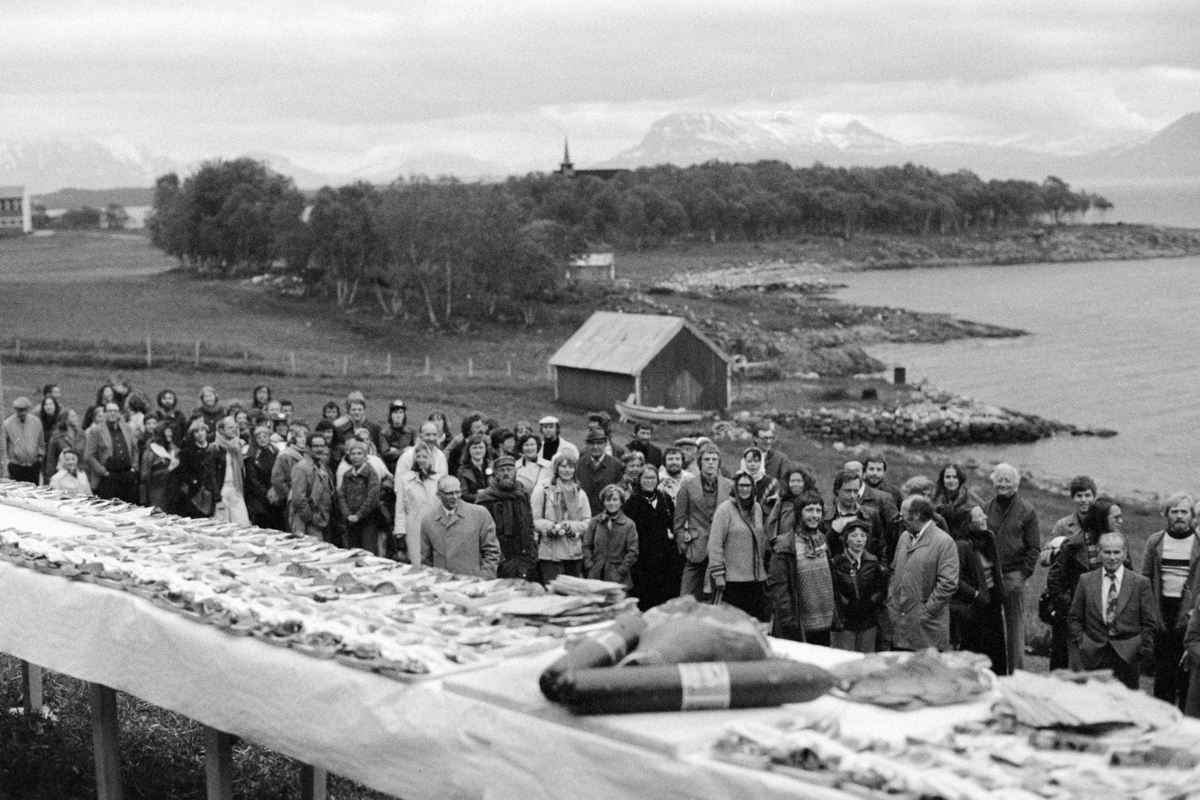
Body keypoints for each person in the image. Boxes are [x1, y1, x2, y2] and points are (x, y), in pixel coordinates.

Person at [1068, 532, 1160, 690]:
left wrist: (1139, 648)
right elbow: (1074, 617)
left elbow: (1149, 622)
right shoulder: (1086, 581)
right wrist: (1083, 642)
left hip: (1127, 656)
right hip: (1094, 653)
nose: (1112, 557)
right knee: (1093, 703)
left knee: (1124, 706)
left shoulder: (1139, 583)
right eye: (1107, 552)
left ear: (1124, 554)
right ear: (1099, 554)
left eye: (1116, 552)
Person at [1046, 496, 1127, 670]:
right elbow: (1055, 580)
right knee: (1072, 669)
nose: (1121, 521)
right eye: (1116, 517)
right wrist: (1070, 608)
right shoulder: (1074, 544)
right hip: (1078, 621)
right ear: (1102, 519)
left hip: (1109, 617)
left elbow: (1129, 578)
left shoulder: (1118, 544)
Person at [1140, 493, 1200, 710]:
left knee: (1188, 678)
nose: (1180, 516)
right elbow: (1145, 579)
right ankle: (1162, 721)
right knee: (1164, 677)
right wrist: (1151, 614)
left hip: (1191, 614)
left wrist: (1194, 614)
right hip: (1162, 613)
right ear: (1166, 514)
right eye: (1174, 511)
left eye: (1184, 511)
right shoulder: (1155, 541)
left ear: (1192, 515)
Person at [984, 462, 1041, 672]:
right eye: (999, 479)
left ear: (1015, 484)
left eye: (1007, 480)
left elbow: (1034, 547)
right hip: (990, 575)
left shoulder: (1027, 510)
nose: (1003, 484)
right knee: (991, 626)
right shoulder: (986, 508)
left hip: (1012, 575)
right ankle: (994, 670)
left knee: (1015, 627)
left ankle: (1016, 672)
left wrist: (1023, 574)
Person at [888, 495, 959, 651]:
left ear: (917, 515)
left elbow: (948, 583)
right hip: (900, 626)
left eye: (903, 515)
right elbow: (894, 571)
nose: (901, 519)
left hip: (926, 630)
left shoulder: (944, 542)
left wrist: (926, 612)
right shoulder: (904, 537)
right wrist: (891, 599)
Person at [766, 489, 836, 643]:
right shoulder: (784, 545)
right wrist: (790, 623)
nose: (815, 515)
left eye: (818, 510)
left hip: (825, 625)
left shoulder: (823, 540)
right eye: (809, 510)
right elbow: (778, 589)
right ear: (799, 513)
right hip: (799, 629)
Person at [951, 506, 1008, 674]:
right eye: (979, 515)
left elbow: (996, 570)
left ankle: (997, 680)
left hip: (992, 599)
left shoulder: (989, 539)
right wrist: (975, 594)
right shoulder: (962, 545)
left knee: (996, 646)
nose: (985, 517)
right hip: (975, 603)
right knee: (976, 645)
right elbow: (955, 578)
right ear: (968, 523)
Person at [674, 444, 733, 600]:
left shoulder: (729, 485)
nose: (711, 463)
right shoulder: (688, 485)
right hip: (695, 548)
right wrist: (684, 546)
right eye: (707, 459)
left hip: (722, 549)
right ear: (700, 462)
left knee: (720, 598)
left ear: (719, 462)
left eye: (714, 459)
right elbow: (679, 521)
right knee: (686, 597)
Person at [708, 471, 769, 621]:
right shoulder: (725, 509)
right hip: (732, 580)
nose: (744, 489)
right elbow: (715, 543)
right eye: (741, 485)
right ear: (735, 487)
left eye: (748, 485)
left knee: (756, 623)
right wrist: (718, 575)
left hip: (755, 580)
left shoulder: (757, 509)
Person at [624, 465, 682, 610]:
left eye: (652, 478)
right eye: (646, 478)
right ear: (640, 480)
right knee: (644, 595)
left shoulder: (664, 498)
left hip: (663, 555)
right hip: (642, 556)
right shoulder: (632, 501)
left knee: (664, 594)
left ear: (657, 480)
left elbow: (673, 523)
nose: (649, 481)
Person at [420, 476, 501, 578]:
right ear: (438, 495)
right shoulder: (428, 521)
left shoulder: (479, 513)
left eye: (458, 492)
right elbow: (425, 559)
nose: (455, 497)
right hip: (443, 584)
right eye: (449, 493)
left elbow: (492, 550)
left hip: (473, 582)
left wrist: (485, 577)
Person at [475, 456, 538, 581]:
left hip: (524, 559)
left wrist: (532, 555)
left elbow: (529, 525)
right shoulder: (486, 499)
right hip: (498, 561)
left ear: (515, 472)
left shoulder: (522, 495)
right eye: (502, 470)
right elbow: (480, 535)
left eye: (509, 469)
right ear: (496, 474)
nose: (506, 473)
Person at [531, 452, 591, 582]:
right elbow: (533, 520)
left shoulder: (580, 493)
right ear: (556, 468)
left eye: (570, 466)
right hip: (550, 552)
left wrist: (571, 526)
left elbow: (587, 522)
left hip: (573, 552)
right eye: (563, 466)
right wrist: (551, 527)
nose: (567, 470)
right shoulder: (543, 489)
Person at [830, 519, 886, 653]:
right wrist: (848, 604)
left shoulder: (873, 562)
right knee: (845, 658)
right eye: (854, 535)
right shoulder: (837, 563)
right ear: (846, 539)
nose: (859, 540)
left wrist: (871, 602)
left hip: (868, 621)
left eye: (863, 535)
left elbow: (881, 588)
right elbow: (833, 589)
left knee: (866, 660)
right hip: (845, 621)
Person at [825, 468, 887, 565]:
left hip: (865, 572)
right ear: (837, 490)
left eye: (855, 491)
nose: (852, 496)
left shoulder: (871, 515)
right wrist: (833, 533)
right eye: (848, 491)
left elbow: (881, 547)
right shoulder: (826, 516)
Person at [583, 484, 639, 588]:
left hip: (618, 577)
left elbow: (632, 552)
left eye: (615, 499)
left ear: (621, 502)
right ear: (603, 502)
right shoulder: (595, 522)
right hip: (596, 574)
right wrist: (590, 565)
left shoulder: (628, 524)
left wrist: (621, 570)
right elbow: (586, 545)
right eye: (608, 500)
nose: (611, 503)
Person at [394, 442, 441, 564]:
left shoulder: (438, 480)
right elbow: (400, 508)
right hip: (414, 527)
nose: (421, 460)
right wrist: (400, 532)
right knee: (417, 562)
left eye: (425, 457)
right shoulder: (406, 480)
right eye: (418, 456)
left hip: (436, 526)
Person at [85, 401, 139, 502]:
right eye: (110, 411)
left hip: (127, 475)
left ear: (119, 413)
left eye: (115, 411)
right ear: (105, 413)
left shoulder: (127, 428)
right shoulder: (97, 430)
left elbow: (135, 449)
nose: (113, 413)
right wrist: (103, 472)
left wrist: (134, 468)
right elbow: (89, 456)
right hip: (109, 476)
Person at [338, 439, 382, 554]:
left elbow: (372, 497)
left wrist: (359, 515)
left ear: (365, 456)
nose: (356, 457)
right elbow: (341, 495)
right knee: (353, 551)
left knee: (368, 550)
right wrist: (347, 514)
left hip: (368, 519)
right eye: (353, 454)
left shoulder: (371, 474)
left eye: (359, 453)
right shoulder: (347, 475)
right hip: (350, 520)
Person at [289, 433, 335, 541]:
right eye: (315, 446)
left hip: (322, 519)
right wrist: (312, 518)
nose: (319, 449)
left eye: (322, 446)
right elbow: (298, 498)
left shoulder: (322, 466)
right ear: (308, 448)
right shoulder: (301, 467)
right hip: (307, 522)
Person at [211, 416, 250, 528]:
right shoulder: (215, 448)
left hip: (236, 488)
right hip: (222, 489)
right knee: (222, 526)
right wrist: (217, 498)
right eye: (230, 427)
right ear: (222, 430)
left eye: (235, 427)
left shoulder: (236, 446)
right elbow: (212, 474)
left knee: (243, 524)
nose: (234, 430)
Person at [577, 430, 624, 515]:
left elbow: (620, 492)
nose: (595, 447)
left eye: (599, 443)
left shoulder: (616, 464)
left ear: (605, 444)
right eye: (592, 443)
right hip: (583, 514)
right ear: (587, 445)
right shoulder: (579, 464)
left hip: (607, 515)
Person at [932, 463, 985, 538]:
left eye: (955, 477)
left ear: (960, 479)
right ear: (942, 480)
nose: (951, 480)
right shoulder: (934, 498)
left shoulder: (971, 498)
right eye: (948, 477)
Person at [244, 426, 282, 530]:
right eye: (259, 437)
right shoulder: (252, 456)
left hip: (275, 494)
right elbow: (253, 480)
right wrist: (267, 494)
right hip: (260, 499)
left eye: (265, 436)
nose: (262, 439)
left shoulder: (274, 452)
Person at [3, 397, 44, 484]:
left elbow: (41, 441)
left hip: (33, 466)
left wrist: (40, 456)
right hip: (16, 466)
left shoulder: (36, 422)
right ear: (15, 409)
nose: (22, 413)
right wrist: (8, 462)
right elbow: (4, 445)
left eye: (25, 410)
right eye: (20, 410)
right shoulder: (7, 424)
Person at [140, 425, 180, 514]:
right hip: (157, 492)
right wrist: (168, 470)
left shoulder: (172, 449)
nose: (170, 434)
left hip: (171, 491)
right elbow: (146, 476)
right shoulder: (150, 451)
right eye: (167, 432)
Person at [1050, 476, 1097, 543]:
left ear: (1094, 497)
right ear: (1073, 498)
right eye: (1079, 496)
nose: (1083, 500)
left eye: (1087, 495)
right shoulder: (1062, 526)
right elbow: (1049, 550)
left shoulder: (1102, 523)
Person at [46, 411, 87, 486]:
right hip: (62, 474)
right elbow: (51, 458)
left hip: (79, 472)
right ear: (66, 420)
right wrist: (50, 476)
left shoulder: (81, 434)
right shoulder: (56, 436)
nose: (77, 418)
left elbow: (84, 454)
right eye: (73, 416)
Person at [377, 400, 414, 475]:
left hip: (408, 469)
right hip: (390, 469)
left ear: (404, 415)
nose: (398, 415)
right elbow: (385, 454)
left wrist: (394, 451)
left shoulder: (412, 432)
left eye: (401, 412)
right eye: (395, 412)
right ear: (390, 415)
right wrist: (404, 451)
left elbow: (416, 449)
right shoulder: (384, 433)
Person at [446, 413, 487, 477]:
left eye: (482, 426)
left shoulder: (486, 447)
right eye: (477, 427)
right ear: (468, 431)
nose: (481, 430)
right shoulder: (456, 452)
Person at [739, 447, 779, 511]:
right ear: (744, 462)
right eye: (749, 461)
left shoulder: (771, 483)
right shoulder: (737, 481)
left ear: (761, 462)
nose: (753, 464)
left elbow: (774, 508)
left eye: (756, 461)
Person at [455, 433, 491, 503]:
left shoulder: (492, 467)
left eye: (481, 447)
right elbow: (463, 495)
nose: (478, 451)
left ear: (486, 449)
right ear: (469, 450)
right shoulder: (462, 470)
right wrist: (483, 496)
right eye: (474, 448)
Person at [36, 395, 63, 481]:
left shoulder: (61, 420)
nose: (48, 407)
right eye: (46, 404)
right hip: (46, 454)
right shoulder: (40, 421)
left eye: (50, 404)